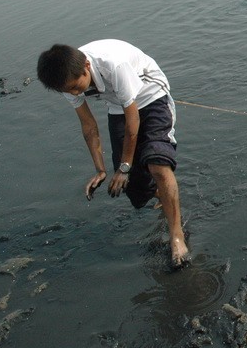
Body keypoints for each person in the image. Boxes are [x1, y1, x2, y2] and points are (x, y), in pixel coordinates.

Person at [36, 40, 190, 268]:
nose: (75, 93)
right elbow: (89, 126)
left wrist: (123, 167)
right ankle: (164, 194)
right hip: (118, 106)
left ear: (87, 66)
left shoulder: (113, 65)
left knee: (157, 163)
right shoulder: (67, 80)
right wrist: (100, 169)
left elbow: (133, 121)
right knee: (137, 193)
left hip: (152, 95)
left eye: (77, 87)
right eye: (68, 91)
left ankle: (177, 236)